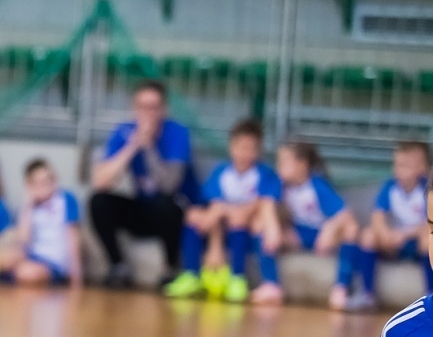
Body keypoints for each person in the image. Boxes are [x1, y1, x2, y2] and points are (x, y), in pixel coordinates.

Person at [89, 80, 199, 289]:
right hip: (143, 207)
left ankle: (170, 269)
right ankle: (118, 267)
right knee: (99, 201)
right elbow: (100, 182)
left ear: (164, 110)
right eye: (142, 107)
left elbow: (169, 186)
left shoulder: (177, 133)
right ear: (134, 109)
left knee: (165, 204)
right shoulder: (124, 131)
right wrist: (132, 146)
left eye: (153, 107)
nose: (147, 113)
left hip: (175, 210)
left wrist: (149, 149)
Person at [163, 118, 282, 305]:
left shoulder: (265, 175)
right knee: (194, 216)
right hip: (219, 229)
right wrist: (215, 245)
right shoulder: (221, 172)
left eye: (251, 149)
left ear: (258, 151)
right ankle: (191, 275)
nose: (245, 153)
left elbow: (254, 208)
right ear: (231, 147)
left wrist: (226, 210)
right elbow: (214, 207)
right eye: (241, 147)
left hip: (244, 233)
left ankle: (237, 278)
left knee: (237, 219)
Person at [273, 140, 360, 312]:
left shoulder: (317, 185)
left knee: (351, 230)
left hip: (319, 234)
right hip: (298, 234)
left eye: (284, 162)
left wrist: (330, 229)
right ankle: (271, 285)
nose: (279, 166)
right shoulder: (279, 186)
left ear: (302, 165)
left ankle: (341, 287)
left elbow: (345, 215)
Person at [353, 141, 433, 311]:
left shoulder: (426, 189)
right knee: (368, 236)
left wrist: (405, 234)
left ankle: (430, 295)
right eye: (397, 164)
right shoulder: (390, 187)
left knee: (428, 239)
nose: (399, 170)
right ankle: (367, 294)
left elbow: (429, 223)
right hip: (395, 243)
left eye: (405, 165)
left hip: (415, 242)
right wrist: (385, 235)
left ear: (422, 167)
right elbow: (377, 216)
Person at [0, 157, 83, 286]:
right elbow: (23, 240)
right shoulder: (28, 206)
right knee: (0, 259)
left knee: (26, 272)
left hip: (54, 263)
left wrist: (76, 278)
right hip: (31, 256)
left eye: (49, 180)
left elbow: (72, 238)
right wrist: (28, 205)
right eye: (39, 182)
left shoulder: (65, 199)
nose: (46, 186)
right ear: (30, 185)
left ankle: (10, 277)